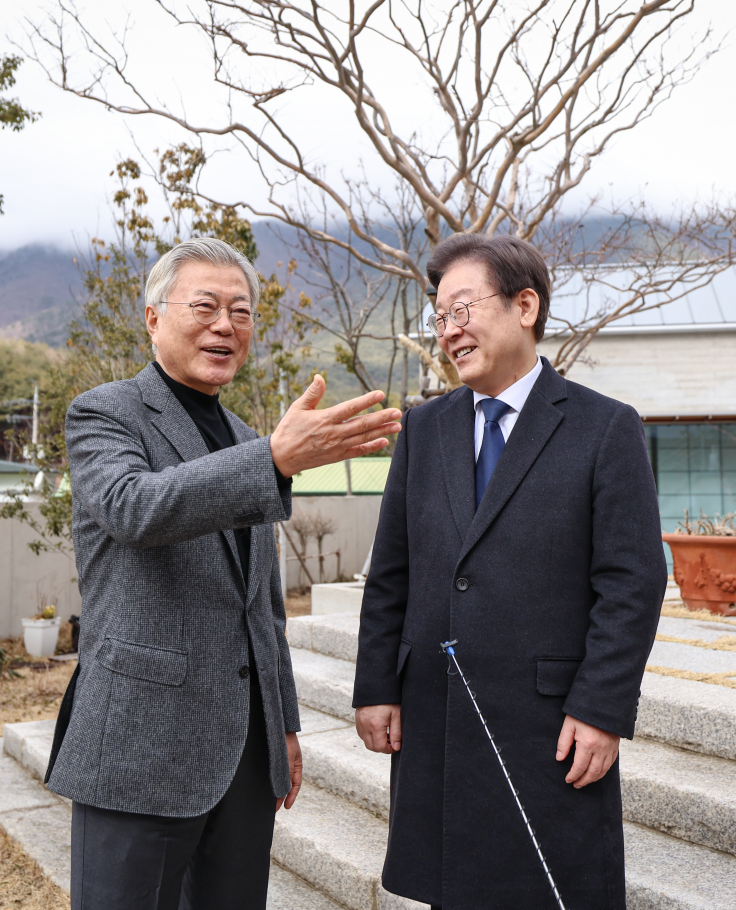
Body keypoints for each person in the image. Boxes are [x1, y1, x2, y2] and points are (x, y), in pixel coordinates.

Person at [46, 237, 403, 910]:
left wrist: (285, 727)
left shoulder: (244, 436)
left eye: (240, 312)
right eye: (205, 306)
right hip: (139, 748)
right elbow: (135, 508)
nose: (225, 325)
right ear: (153, 318)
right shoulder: (106, 412)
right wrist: (273, 459)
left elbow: (262, 607)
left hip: (242, 756)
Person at [352, 234, 667, 910]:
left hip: (549, 723)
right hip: (437, 717)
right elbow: (392, 573)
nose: (450, 329)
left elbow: (632, 582)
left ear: (526, 306)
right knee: (453, 891)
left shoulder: (603, 428)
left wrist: (602, 708)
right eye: (440, 316)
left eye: (463, 307)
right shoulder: (424, 429)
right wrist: (375, 684)